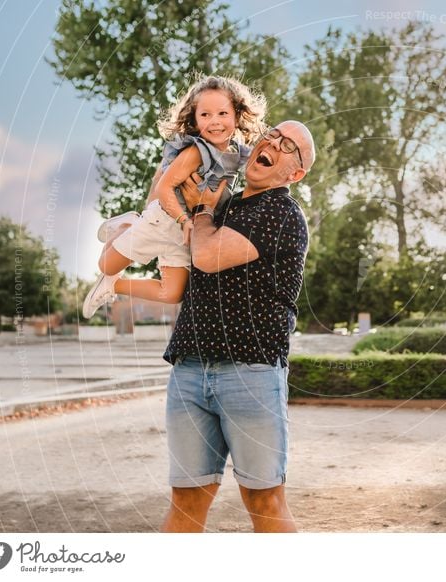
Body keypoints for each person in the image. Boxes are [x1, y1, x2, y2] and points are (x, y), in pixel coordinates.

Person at [160, 120, 315, 533]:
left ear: (295, 173)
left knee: (264, 500)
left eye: (288, 147)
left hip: (250, 373)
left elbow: (207, 256)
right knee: (186, 501)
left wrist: (203, 209)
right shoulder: (226, 204)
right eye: (271, 134)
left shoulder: (282, 212)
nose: (273, 143)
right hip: (189, 368)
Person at [82, 75, 265, 318]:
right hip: (166, 220)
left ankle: (113, 285)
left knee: (171, 293)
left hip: (185, 232)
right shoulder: (196, 151)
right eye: (205, 115)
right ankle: (126, 225)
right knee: (105, 265)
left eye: (223, 113)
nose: (215, 122)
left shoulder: (236, 154)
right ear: (194, 119)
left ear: (237, 115)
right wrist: (183, 219)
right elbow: (164, 188)